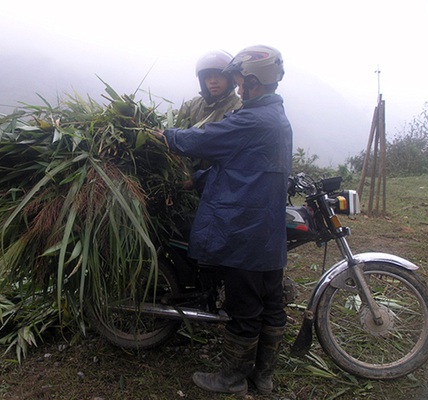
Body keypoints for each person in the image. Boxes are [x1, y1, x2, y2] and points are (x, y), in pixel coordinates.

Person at [152, 45, 292, 396]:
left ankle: (232, 380)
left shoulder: (252, 119)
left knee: (244, 306)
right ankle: (262, 376)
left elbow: (206, 140)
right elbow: (242, 168)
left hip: (244, 227)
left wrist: (166, 137)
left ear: (253, 81)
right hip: (267, 229)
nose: (237, 87)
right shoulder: (277, 117)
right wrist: (195, 181)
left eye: (240, 80)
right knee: (270, 303)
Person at [177, 49, 242, 129]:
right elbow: (173, 116)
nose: (213, 81)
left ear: (231, 79)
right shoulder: (194, 104)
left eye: (219, 76)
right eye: (208, 77)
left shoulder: (239, 108)